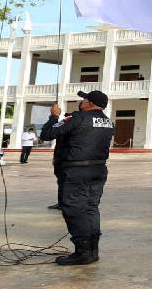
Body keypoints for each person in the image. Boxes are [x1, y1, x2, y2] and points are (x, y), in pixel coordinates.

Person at [40, 90, 114, 266]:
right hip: (98, 169)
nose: (82, 102)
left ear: (89, 103)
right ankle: (93, 250)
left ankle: (82, 252)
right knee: (91, 208)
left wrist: (54, 116)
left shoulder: (78, 118)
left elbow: (47, 134)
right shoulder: (108, 122)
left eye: (84, 99)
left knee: (74, 209)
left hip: (76, 171)